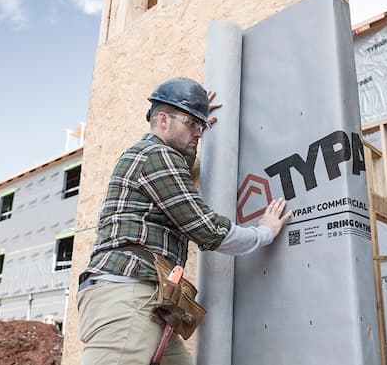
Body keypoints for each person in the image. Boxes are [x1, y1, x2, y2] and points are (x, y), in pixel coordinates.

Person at [77, 77, 290, 365]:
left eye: (201, 126)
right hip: (127, 298)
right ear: (163, 120)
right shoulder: (156, 155)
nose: (199, 133)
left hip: (149, 302)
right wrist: (264, 233)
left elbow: (181, 173)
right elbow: (207, 230)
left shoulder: (157, 158)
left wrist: (195, 115)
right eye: (192, 124)